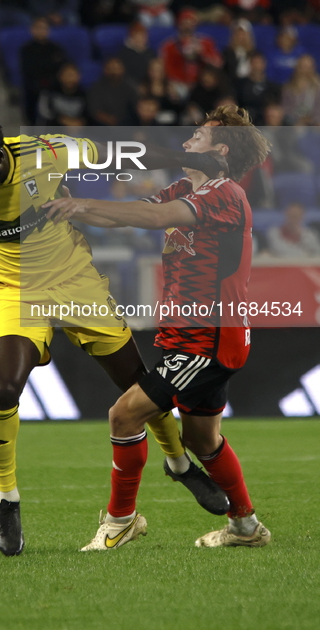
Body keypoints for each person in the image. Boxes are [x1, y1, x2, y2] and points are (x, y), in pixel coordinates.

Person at [0, 112, 230, 557]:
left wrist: (195, 162)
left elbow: (124, 154)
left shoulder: (46, 153)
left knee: (138, 384)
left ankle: (179, 463)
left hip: (75, 282)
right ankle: (7, 500)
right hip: (15, 291)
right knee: (3, 389)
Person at [44, 105, 272, 550]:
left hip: (206, 339)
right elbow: (128, 212)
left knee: (124, 415)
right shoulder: (185, 187)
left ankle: (120, 521)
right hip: (197, 336)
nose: (187, 141)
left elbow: (152, 219)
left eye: (198, 137)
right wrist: (68, 207)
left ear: (220, 150)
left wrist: (82, 203)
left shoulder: (225, 195)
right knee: (202, 438)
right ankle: (246, 528)